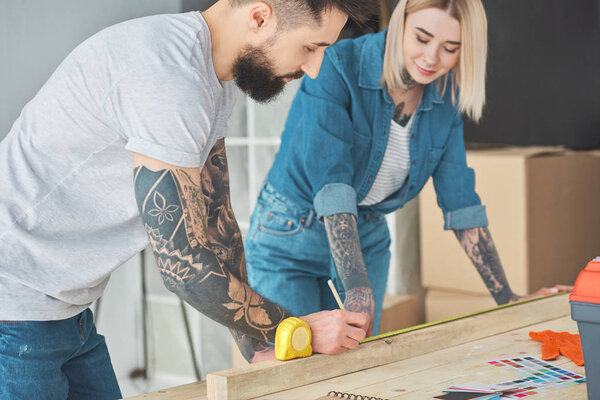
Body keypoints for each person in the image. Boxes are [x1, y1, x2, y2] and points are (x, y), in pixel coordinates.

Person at [0, 0, 380, 398]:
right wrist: (297, 328)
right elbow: (185, 268)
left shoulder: (209, 79)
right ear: (260, 17)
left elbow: (218, 224)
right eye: (311, 47)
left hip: (63, 311)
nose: (315, 68)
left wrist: (258, 346)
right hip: (14, 306)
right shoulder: (169, 78)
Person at [245, 0, 573, 339]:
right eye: (422, 38)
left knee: (354, 371)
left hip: (366, 234)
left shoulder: (446, 97)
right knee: (296, 370)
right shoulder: (338, 66)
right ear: (401, 22)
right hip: (290, 235)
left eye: (450, 48)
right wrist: (358, 289)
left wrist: (509, 298)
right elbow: (333, 185)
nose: (432, 58)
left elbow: (460, 202)